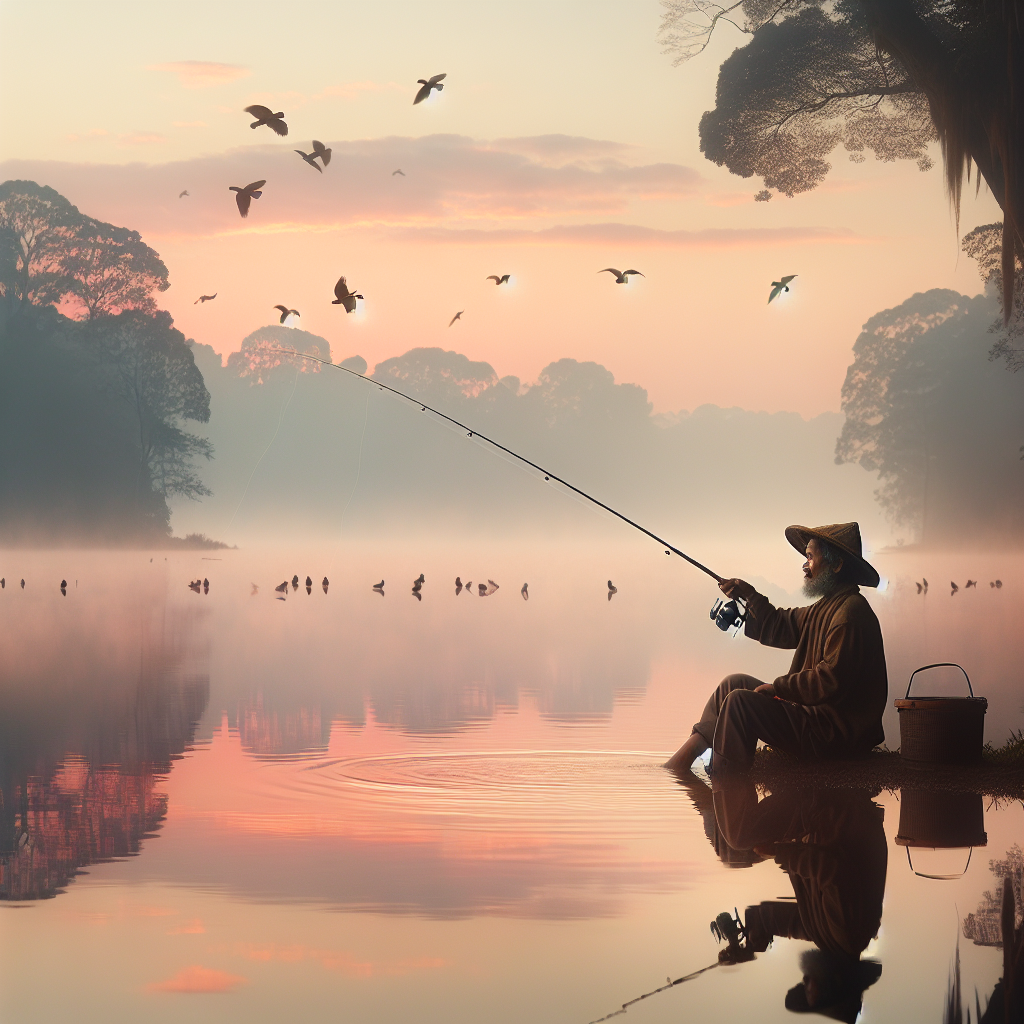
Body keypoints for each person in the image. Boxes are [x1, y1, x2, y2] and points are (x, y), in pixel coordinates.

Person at [665, 522, 887, 775]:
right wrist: (748, 594)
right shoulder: (827, 607)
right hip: (814, 718)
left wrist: (778, 688)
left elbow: (829, 680)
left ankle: (724, 780)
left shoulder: (850, 614)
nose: (805, 566)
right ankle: (680, 764)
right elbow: (781, 624)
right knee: (732, 684)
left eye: (810, 557)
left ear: (836, 565)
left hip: (832, 734)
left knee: (740, 702)